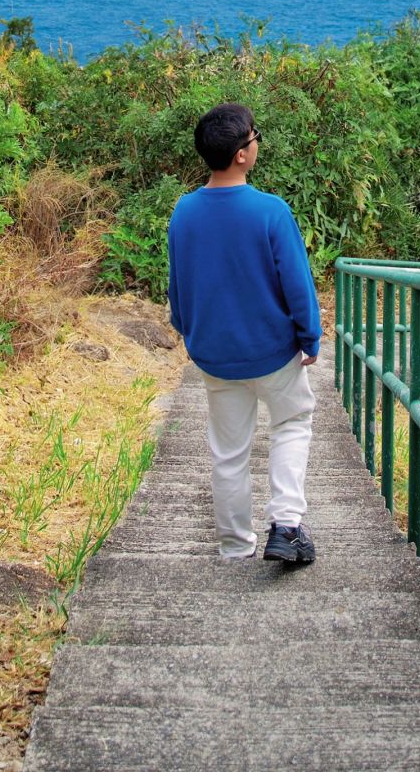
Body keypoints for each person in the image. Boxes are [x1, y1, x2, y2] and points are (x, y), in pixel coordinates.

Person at [167, 102, 322, 563]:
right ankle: (287, 526)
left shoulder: (184, 212)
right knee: (292, 423)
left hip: (215, 356)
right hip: (273, 352)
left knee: (229, 453)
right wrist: (309, 337)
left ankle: (235, 546)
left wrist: (190, 332)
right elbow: (297, 283)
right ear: (240, 154)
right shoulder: (270, 212)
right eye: (254, 137)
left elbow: (178, 286)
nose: (257, 143)